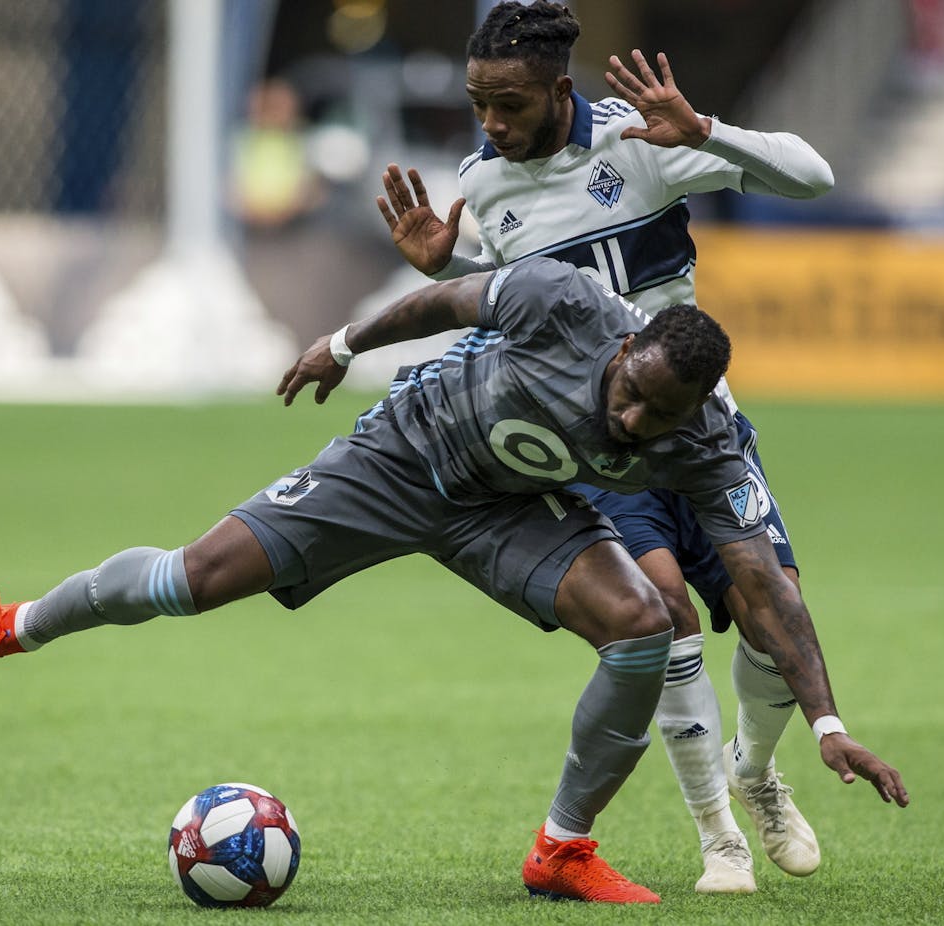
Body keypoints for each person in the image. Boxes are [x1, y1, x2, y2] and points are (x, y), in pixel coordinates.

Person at [0, 258, 908, 904]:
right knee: (191, 576)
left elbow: (765, 589)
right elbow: (444, 298)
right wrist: (342, 344)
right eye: (630, 392)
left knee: (643, 624)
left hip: (507, 511)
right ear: (628, 345)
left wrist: (824, 720)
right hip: (397, 456)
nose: (635, 422)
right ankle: (11, 623)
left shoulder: (704, 440)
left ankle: (560, 850)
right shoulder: (563, 303)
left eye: (661, 414)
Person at [375, 1, 844, 894]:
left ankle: (757, 774)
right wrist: (446, 269)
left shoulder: (640, 140)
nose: (490, 123)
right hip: (603, 442)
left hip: (700, 429)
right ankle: (719, 836)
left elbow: (814, 176)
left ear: (559, 89)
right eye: (479, 103)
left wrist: (705, 129)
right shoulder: (489, 180)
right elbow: (523, 298)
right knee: (659, 605)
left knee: (774, 605)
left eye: (507, 104)